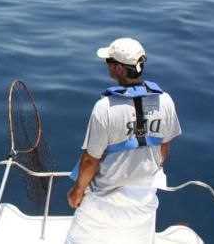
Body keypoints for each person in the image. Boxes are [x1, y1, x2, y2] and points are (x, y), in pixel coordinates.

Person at [65, 38, 182, 244]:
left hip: (103, 201)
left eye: (109, 61)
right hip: (144, 198)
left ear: (119, 68)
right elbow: (164, 150)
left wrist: (77, 191)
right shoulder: (166, 101)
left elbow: (90, 161)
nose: (107, 65)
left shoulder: (104, 108)